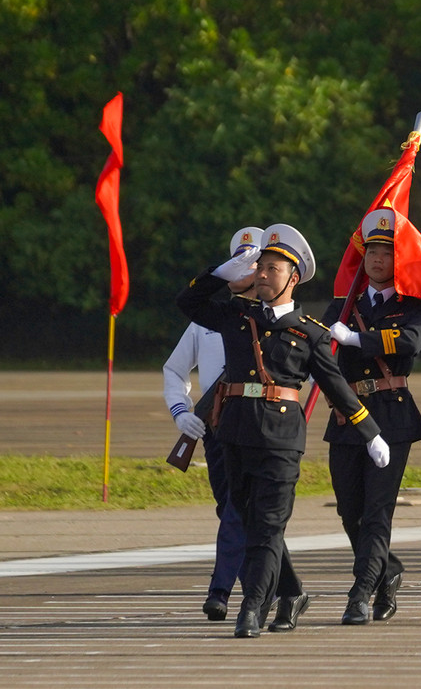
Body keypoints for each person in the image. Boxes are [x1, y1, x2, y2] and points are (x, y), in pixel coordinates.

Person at [178, 224, 392, 638]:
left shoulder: (308, 332)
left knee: (268, 528)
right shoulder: (237, 317)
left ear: (292, 278)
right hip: (235, 435)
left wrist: (371, 433)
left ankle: (252, 608)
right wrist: (224, 272)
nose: (261, 275)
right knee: (245, 516)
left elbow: (337, 387)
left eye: (271, 269)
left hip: (280, 441)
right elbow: (188, 301)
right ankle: (290, 593)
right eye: (259, 267)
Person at [324, 209, 421, 625]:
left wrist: (356, 338)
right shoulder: (341, 304)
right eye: (371, 251)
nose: (376, 259)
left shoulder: (413, 306)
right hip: (345, 415)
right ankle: (386, 571)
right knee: (349, 510)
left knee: (377, 510)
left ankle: (361, 592)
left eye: (386, 252)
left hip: (391, 414)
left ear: (399, 260)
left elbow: (410, 342)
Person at [162, 225, 261, 621]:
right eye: (236, 265)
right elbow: (174, 370)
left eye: (251, 265)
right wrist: (182, 412)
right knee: (233, 511)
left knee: (241, 511)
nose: (244, 273)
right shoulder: (207, 320)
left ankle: (220, 590)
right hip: (215, 425)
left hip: (258, 424)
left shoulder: (275, 318)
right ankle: (283, 586)